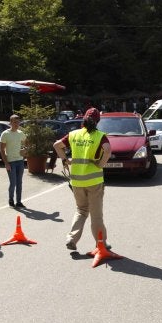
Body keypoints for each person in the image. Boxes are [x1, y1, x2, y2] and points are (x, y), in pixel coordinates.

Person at [53, 107, 112, 250]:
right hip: (94, 181)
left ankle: (72, 238)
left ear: (84, 119)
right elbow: (108, 149)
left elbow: (56, 145)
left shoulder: (74, 134)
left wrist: (65, 160)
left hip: (77, 181)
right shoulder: (99, 136)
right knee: (96, 215)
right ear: (97, 121)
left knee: (81, 210)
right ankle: (101, 244)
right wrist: (101, 164)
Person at [0, 114, 26, 208]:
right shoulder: (5, 134)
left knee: (19, 182)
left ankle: (19, 202)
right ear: (10, 123)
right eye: (14, 122)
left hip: (20, 161)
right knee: (13, 183)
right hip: (11, 162)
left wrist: (24, 148)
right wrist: (6, 163)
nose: (16, 124)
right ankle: (11, 199)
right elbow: (2, 150)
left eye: (18, 122)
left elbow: (26, 142)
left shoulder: (20, 133)